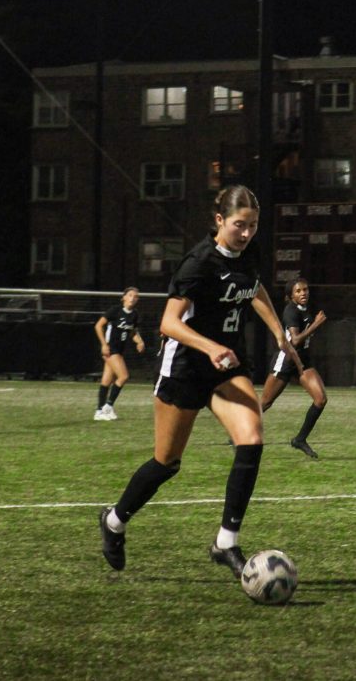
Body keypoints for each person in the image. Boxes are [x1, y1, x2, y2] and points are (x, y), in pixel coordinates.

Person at [98, 185, 303, 578]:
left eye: (253, 226)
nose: (246, 233)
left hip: (225, 365)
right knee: (166, 463)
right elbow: (168, 323)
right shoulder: (198, 262)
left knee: (252, 437)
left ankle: (226, 541)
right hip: (186, 368)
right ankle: (114, 521)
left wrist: (279, 331)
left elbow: (253, 286)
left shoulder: (250, 253)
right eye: (239, 225)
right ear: (219, 221)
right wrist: (209, 347)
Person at [259, 277, 327, 459]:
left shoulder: (304, 309)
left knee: (320, 399)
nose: (303, 293)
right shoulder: (290, 311)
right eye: (298, 291)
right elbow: (295, 340)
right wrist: (316, 325)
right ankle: (238, 435)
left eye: (305, 289)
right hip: (287, 360)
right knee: (264, 403)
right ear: (291, 295)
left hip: (303, 361)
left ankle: (300, 439)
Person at [93, 287, 146, 421]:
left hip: (119, 350)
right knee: (124, 376)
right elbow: (98, 326)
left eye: (135, 296)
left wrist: (139, 342)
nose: (132, 298)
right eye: (130, 295)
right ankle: (108, 406)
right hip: (111, 349)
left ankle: (99, 411)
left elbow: (132, 331)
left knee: (107, 380)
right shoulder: (115, 311)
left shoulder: (134, 314)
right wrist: (104, 344)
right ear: (123, 297)